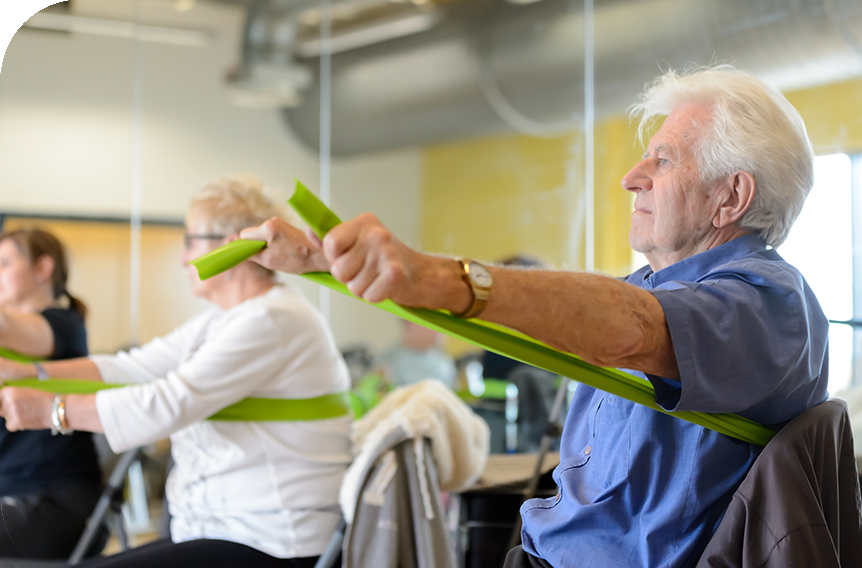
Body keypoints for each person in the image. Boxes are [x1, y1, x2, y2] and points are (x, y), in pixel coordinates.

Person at [238, 65, 829, 567]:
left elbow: (638, 327)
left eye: (663, 160)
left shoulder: (768, 305)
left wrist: (434, 275)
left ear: (731, 196)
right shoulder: (651, 286)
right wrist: (326, 262)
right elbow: (529, 317)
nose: (631, 177)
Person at [0, 178, 351, 567]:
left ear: (232, 244)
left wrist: (53, 410)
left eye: (190, 241)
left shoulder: (272, 320)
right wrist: (27, 371)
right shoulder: (222, 322)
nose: (184, 258)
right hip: (221, 530)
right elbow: (132, 366)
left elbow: (168, 402)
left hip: (272, 542)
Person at [0, 228, 103, 559]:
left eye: (3, 263)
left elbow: (8, 328)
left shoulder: (63, 325)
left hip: (57, 502)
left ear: (42, 269)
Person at [374, 319, 457, 389]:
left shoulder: (445, 361)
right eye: (430, 321)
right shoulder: (386, 362)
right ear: (409, 323)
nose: (438, 329)